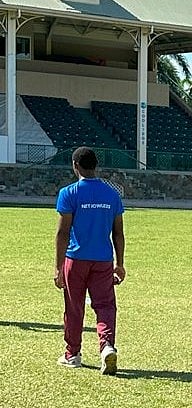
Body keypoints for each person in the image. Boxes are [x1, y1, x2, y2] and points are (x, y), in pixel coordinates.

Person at [54, 146, 126, 375]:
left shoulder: (69, 193)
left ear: (75, 166)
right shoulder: (112, 195)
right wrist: (120, 263)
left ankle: (72, 354)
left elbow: (63, 232)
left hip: (75, 259)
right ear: (96, 166)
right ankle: (106, 346)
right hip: (103, 260)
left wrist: (58, 267)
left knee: (74, 307)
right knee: (105, 305)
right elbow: (118, 233)